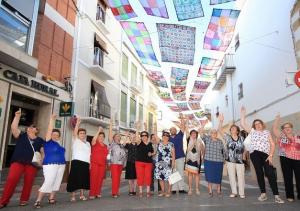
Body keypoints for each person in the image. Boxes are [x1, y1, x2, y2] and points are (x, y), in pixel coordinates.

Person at [0, 109, 44, 208]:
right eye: (30, 126)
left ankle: (24, 199)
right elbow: (13, 128)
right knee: (11, 179)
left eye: (33, 127)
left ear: (36, 131)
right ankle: (3, 201)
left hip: (32, 164)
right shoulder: (22, 135)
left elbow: (42, 151)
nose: (30, 127)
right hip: (18, 161)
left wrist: (42, 160)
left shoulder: (40, 140)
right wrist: (17, 117)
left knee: (29, 182)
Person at [241, 106, 284, 203]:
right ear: (254, 126)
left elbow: (272, 144)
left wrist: (271, 155)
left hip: (266, 155)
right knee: (259, 173)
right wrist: (243, 114)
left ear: (262, 124)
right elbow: (243, 124)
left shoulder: (267, 132)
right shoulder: (252, 131)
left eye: (259, 123)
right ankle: (263, 194)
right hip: (255, 154)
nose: (257, 125)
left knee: (270, 174)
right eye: (255, 124)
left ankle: (276, 195)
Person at [34, 114, 66, 208]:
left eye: (57, 135)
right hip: (50, 164)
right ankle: (38, 200)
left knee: (57, 181)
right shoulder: (48, 142)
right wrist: (52, 120)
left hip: (61, 165)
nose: (55, 136)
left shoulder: (59, 144)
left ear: (59, 137)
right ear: (51, 135)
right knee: (49, 181)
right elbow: (48, 130)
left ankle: (51, 198)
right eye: (54, 134)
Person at [273, 114, 300, 202]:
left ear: (292, 128)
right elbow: (274, 129)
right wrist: (277, 119)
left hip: (297, 159)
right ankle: (290, 195)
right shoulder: (281, 136)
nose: (287, 128)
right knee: (287, 177)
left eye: (289, 127)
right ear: (283, 130)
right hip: (285, 158)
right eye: (285, 127)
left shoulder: (298, 137)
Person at [218, 113, 246, 199]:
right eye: (231, 128)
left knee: (241, 177)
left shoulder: (242, 138)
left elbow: (245, 147)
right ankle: (234, 192)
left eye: (234, 128)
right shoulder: (228, 137)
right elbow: (219, 130)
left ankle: (241, 193)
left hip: (240, 160)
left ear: (237, 131)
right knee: (231, 176)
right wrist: (221, 121)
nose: (233, 129)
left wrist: (244, 155)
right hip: (230, 160)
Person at [66, 116, 91, 201]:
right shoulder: (75, 140)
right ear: (78, 134)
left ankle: (82, 195)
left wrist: (90, 163)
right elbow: (74, 132)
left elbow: (89, 154)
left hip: (85, 163)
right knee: (74, 179)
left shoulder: (88, 143)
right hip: (76, 162)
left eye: (84, 133)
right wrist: (77, 124)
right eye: (81, 133)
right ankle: (73, 196)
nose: (82, 134)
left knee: (83, 179)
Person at [199, 124, 225, 197]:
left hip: (219, 161)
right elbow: (201, 132)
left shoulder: (220, 141)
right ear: (210, 134)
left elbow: (223, 151)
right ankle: (210, 191)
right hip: (209, 161)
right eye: (212, 132)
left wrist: (224, 159)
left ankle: (219, 191)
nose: (214, 134)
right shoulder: (207, 139)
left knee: (218, 176)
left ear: (217, 134)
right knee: (209, 176)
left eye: (215, 132)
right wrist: (202, 125)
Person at [135, 122, 154, 197]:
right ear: (141, 137)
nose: (144, 136)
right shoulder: (139, 142)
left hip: (148, 162)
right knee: (140, 176)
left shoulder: (149, 143)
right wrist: (137, 128)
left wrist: (151, 154)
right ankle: (140, 191)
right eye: (142, 135)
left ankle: (148, 191)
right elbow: (137, 137)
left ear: (147, 136)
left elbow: (153, 152)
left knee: (148, 176)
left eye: (145, 135)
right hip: (139, 162)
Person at [108, 120, 127, 198]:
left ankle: (117, 191)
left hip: (120, 164)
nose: (118, 137)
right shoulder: (112, 144)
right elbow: (109, 135)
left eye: (119, 136)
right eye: (116, 136)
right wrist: (111, 125)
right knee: (115, 178)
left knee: (118, 179)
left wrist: (126, 136)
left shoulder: (121, 145)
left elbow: (125, 143)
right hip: (114, 163)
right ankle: (114, 193)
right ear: (114, 138)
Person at [169, 113, 187, 194]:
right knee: (173, 173)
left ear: (176, 131)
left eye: (174, 129)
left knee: (181, 173)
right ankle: (173, 189)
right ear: (170, 131)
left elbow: (183, 127)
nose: (173, 130)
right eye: (172, 130)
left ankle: (181, 189)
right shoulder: (167, 138)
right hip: (171, 158)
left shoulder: (179, 135)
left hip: (180, 157)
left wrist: (182, 119)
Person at [89, 126, 108, 199]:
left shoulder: (105, 146)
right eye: (100, 136)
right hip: (95, 163)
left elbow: (106, 155)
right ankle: (92, 194)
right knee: (93, 178)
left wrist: (107, 163)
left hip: (103, 164)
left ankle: (98, 192)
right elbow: (93, 138)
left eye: (103, 136)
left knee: (100, 179)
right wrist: (98, 131)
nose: (101, 137)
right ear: (97, 137)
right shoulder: (94, 143)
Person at [155, 131, 175, 197]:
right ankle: (163, 191)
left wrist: (173, 164)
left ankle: (169, 191)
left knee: (169, 178)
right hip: (159, 163)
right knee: (161, 178)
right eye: (164, 136)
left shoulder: (171, 144)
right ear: (162, 137)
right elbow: (155, 135)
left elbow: (173, 155)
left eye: (167, 136)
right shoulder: (159, 143)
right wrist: (154, 126)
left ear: (169, 137)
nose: (165, 137)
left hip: (168, 163)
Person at [185, 129, 204, 196]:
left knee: (197, 175)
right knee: (190, 174)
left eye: (195, 133)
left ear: (196, 134)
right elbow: (186, 130)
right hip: (189, 159)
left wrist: (203, 156)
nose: (193, 134)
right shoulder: (188, 140)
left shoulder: (199, 140)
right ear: (190, 134)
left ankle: (197, 189)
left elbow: (202, 149)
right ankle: (190, 189)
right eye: (192, 133)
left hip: (197, 159)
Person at [124, 130, 137, 196]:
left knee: (135, 178)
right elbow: (123, 144)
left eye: (134, 137)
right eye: (131, 138)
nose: (133, 139)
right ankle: (130, 190)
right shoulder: (128, 145)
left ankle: (134, 190)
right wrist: (126, 136)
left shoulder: (138, 145)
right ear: (130, 139)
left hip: (136, 163)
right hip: (129, 163)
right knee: (130, 178)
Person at [150, 123, 161, 194]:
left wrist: (155, 129)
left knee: (159, 175)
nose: (154, 138)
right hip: (151, 161)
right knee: (151, 175)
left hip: (158, 161)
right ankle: (151, 189)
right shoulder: (149, 144)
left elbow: (157, 139)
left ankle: (160, 189)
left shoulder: (158, 143)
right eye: (153, 137)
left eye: (155, 137)